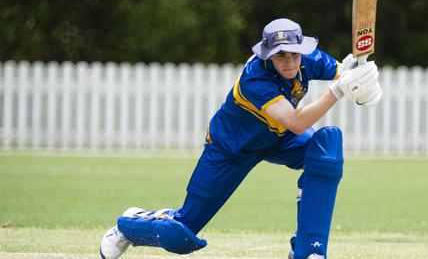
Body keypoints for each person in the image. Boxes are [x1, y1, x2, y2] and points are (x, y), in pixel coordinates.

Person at [99, 18, 382, 259]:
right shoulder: (255, 79)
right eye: (281, 56)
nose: (289, 62)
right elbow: (297, 123)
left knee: (326, 147)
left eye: (294, 55)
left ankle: (309, 250)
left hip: (277, 139)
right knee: (180, 233)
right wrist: (339, 90)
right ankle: (128, 225)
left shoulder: (306, 59)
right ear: (267, 54)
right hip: (231, 149)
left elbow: (342, 73)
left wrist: (358, 74)